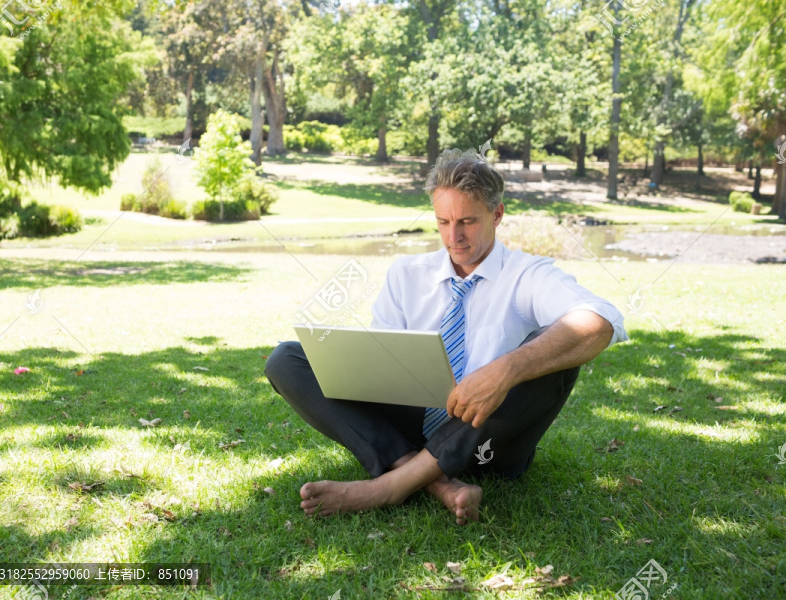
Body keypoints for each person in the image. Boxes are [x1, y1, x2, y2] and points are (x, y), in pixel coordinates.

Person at [264, 148, 628, 525]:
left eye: (467, 221)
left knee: (554, 355)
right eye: (443, 222)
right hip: (412, 429)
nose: (454, 237)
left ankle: (385, 487)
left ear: (497, 214)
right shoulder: (406, 274)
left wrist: (505, 371)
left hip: (490, 446)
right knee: (285, 360)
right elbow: (381, 370)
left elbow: (600, 321)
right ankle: (434, 482)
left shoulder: (527, 275)